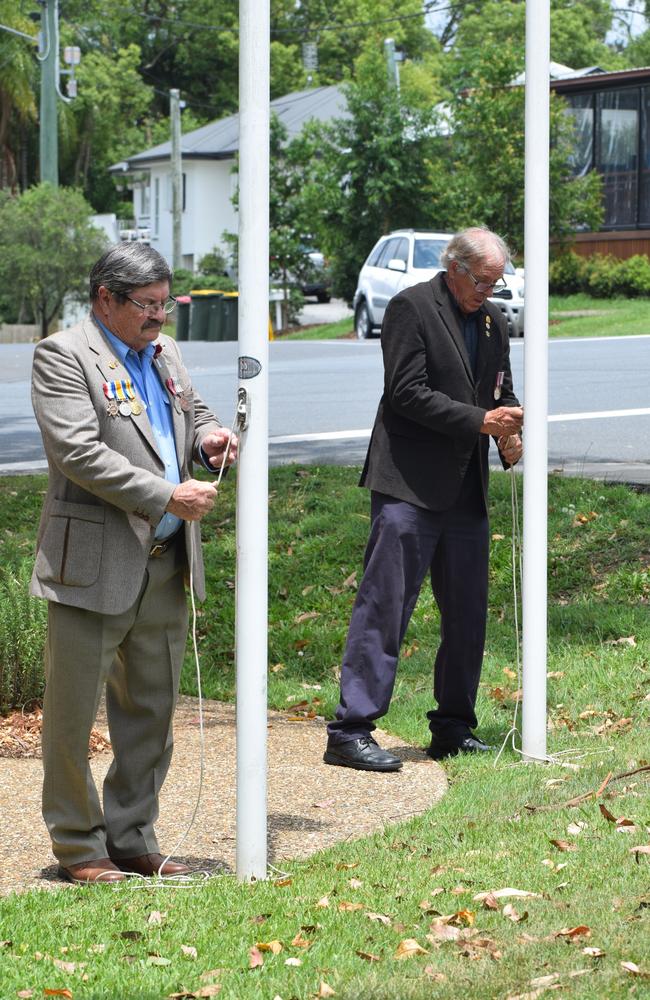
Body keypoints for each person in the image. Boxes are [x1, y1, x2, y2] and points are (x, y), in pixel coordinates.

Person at [30, 242, 238, 883]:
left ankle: (133, 837)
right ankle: (78, 846)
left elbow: (190, 412)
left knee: (149, 713)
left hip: (165, 562)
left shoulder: (165, 352)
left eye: (164, 304)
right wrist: (166, 494)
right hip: (91, 565)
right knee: (71, 718)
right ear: (106, 300)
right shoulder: (63, 357)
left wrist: (207, 436)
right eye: (147, 306)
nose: (159, 319)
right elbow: (79, 453)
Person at [324, 227, 523, 772]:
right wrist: (480, 420)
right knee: (385, 605)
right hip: (408, 484)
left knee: (467, 614)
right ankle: (350, 729)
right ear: (453, 267)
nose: (489, 290)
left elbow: (499, 390)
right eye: (482, 280)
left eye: (496, 281)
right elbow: (405, 393)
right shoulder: (411, 307)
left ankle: (453, 727)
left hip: (466, 490)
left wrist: (507, 423)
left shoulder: (493, 321)